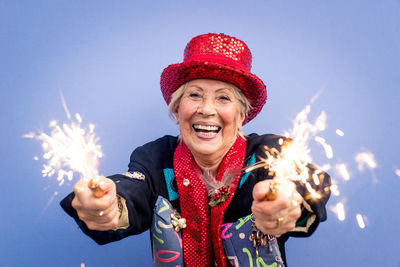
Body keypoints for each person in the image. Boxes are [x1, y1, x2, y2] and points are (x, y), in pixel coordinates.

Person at [61, 33, 331, 267]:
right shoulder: (154, 158)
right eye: (194, 95)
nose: (206, 109)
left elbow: (307, 183)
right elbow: (132, 191)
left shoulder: (269, 153)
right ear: (177, 109)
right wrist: (107, 205)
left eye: (223, 98)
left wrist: (288, 205)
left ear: (241, 115)